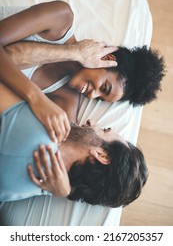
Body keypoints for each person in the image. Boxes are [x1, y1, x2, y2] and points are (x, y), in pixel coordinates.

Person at [0, 1, 166, 143]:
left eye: (100, 99)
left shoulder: (66, 101)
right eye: (104, 87)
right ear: (106, 58)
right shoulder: (60, 18)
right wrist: (74, 53)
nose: (92, 95)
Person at [0, 80, 148, 208]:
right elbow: (69, 97)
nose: (91, 122)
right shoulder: (47, 187)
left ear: (102, 155)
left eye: (104, 130)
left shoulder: (40, 137)